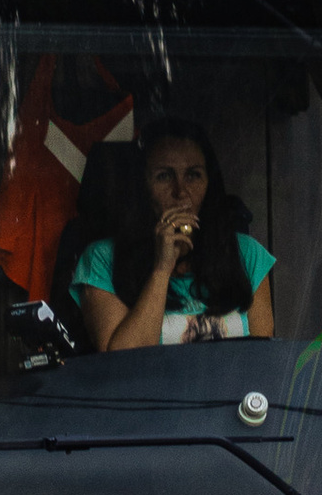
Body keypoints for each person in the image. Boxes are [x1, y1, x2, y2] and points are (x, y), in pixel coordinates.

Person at [71, 118, 275, 349]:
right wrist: (161, 269)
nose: (180, 192)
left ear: (209, 183)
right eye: (164, 176)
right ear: (142, 186)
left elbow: (263, 357)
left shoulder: (246, 254)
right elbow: (121, 361)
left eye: (193, 175)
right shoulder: (103, 259)